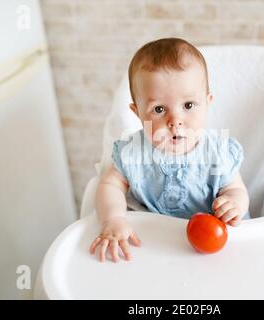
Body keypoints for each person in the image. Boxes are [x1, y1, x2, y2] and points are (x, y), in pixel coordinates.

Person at [89, 38, 249, 262]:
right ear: (137, 112)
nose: (175, 120)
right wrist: (113, 219)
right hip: (157, 247)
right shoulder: (133, 153)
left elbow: (236, 189)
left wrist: (234, 203)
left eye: (189, 105)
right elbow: (110, 185)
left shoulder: (217, 151)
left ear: (208, 101)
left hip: (215, 248)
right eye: (159, 109)